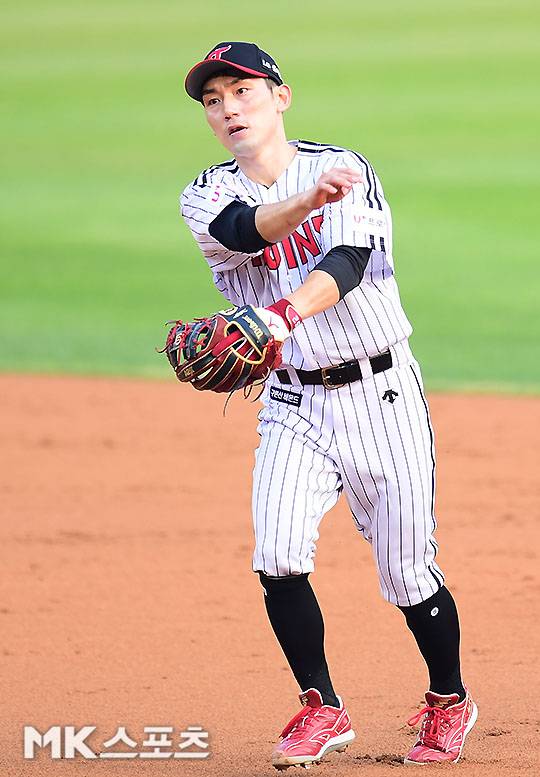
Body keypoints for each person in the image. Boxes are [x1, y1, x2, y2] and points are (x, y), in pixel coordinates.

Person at [180, 41, 478, 769]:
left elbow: (345, 266)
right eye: (213, 100)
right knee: (277, 552)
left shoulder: (345, 167)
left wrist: (280, 315)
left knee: (408, 573)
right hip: (292, 404)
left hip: (383, 392)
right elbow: (244, 232)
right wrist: (307, 204)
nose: (227, 109)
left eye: (241, 92)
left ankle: (449, 700)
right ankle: (323, 706)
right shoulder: (205, 193)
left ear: (280, 97)